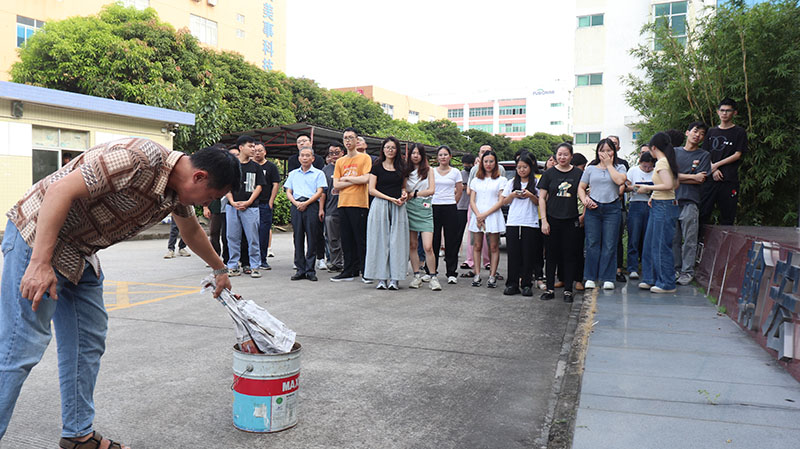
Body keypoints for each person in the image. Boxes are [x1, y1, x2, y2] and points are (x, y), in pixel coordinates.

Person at [0, 139, 238, 448]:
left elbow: (191, 231)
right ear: (200, 177)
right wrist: (39, 262)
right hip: (37, 239)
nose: (209, 204)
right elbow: (60, 190)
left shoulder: (175, 192)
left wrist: (220, 270)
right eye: (212, 196)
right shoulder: (137, 160)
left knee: (87, 343)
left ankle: (78, 435)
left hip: (79, 253)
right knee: (20, 346)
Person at [579, 139, 627, 290]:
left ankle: (608, 277)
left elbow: (620, 181)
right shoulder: (591, 169)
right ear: (597, 152)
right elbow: (581, 187)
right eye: (602, 150)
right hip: (593, 209)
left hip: (612, 208)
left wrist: (609, 165)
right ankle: (590, 277)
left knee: (610, 243)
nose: (605, 153)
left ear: (614, 151)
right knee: (592, 243)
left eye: (609, 150)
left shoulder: (619, 167)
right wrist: (585, 199)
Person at [538, 143, 582, 302]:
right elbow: (542, 198)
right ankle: (549, 288)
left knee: (569, 255)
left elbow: (584, 194)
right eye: (559, 154)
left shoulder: (578, 173)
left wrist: (583, 214)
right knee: (551, 256)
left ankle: (568, 290)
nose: (562, 157)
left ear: (571, 156)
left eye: (565, 154)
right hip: (552, 219)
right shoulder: (549, 174)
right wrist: (544, 221)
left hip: (571, 220)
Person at [636, 132, 680, 293]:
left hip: (664, 205)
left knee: (661, 245)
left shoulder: (662, 163)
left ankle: (666, 283)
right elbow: (675, 185)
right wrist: (653, 196)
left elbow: (669, 185)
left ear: (653, 147)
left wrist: (648, 188)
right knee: (650, 243)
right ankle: (651, 278)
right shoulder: (669, 162)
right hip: (660, 203)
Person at [364, 137, 410, 290]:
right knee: (379, 240)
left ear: (397, 150)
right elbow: (372, 189)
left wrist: (404, 195)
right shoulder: (376, 166)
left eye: (393, 147)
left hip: (398, 206)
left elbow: (404, 187)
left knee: (398, 241)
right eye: (387, 147)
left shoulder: (402, 167)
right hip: (380, 205)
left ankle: (395, 278)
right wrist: (389, 198)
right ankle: (381, 277)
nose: (390, 150)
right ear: (383, 149)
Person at [331, 128, 372, 283]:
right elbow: (335, 183)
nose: (348, 141)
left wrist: (346, 180)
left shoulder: (365, 158)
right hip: (343, 204)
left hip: (360, 203)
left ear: (356, 140)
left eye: (350, 138)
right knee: (346, 239)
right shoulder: (340, 161)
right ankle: (349, 270)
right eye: (345, 138)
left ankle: (365, 271)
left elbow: (366, 179)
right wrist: (354, 179)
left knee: (360, 239)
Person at [700, 98, 747, 226]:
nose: (724, 113)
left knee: (727, 216)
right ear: (717, 112)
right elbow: (704, 153)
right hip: (709, 179)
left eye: (728, 111)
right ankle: (699, 243)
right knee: (703, 212)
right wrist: (713, 169)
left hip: (729, 179)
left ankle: (725, 245)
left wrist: (716, 165)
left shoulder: (739, 132)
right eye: (722, 110)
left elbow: (738, 154)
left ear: (734, 113)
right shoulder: (711, 131)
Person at [674, 122, 710, 285]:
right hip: (672, 200)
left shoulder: (704, 155)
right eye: (696, 131)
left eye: (702, 133)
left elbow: (701, 179)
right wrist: (691, 177)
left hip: (691, 201)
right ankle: (675, 269)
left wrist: (679, 177)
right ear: (687, 132)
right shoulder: (674, 152)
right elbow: (667, 176)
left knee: (689, 239)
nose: (698, 135)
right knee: (673, 239)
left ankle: (687, 272)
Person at [284, 147, 327, 281]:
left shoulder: (318, 173)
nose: (304, 158)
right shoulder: (293, 174)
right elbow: (288, 191)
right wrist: (296, 203)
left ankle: (310, 270)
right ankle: (300, 269)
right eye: (302, 155)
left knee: (312, 237)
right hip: (296, 206)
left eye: (307, 155)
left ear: (312, 158)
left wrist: (307, 203)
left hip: (311, 205)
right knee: (297, 237)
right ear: (299, 158)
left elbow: (320, 191)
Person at [225, 135, 266, 278]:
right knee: (232, 237)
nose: (253, 149)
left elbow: (259, 186)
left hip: (251, 207)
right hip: (232, 207)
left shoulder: (256, 167)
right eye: (250, 146)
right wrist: (231, 201)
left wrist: (248, 202)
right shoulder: (231, 166)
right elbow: (226, 186)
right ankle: (233, 266)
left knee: (253, 238)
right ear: (241, 148)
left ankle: (255, 266)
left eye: (254, 146)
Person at [502, 154, 540, 296]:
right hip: (513, 221)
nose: (522, 170)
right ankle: (512, 283)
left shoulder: (536, 183)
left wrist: (530, 195)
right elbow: (504, 201)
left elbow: (539, 202)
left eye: (525, 167)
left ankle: (526, 284)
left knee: (528, 254)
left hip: (530, 222)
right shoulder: (511, 182)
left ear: (530, 167)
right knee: (513, 254)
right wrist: (512, 195)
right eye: (519, 167)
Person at [464, 145, 505, 274]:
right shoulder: (476, 180)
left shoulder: (501, 180)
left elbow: (501, 200)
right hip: (477, 216)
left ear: (495, 163)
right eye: (486, 161)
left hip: (493, 215)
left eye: (491, 161)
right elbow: (472, 199)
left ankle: (492, 275)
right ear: (481, 162)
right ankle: (477, 274)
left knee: (493, 247)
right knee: (477, 246)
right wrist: (478, 215)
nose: (488, 164)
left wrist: (485, 215)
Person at [406, 144, 438, 290]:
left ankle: (433, 276)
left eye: (418, 153)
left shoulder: (429, 170)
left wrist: (416, 194)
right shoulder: (405, 171)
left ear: (423, 155)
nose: (416, 155)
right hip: (409, 208)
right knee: (412, 245)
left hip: (425, 209)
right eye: (413, 153)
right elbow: (403, 189)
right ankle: (416, 276)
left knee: (427, 246)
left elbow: (431, 190)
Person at [431, 145, 464, 285]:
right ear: (437, 157)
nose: (443, 157)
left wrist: (452, 202)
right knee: (434, 240)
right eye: (440, 155)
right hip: (434, 206)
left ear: (450, 156)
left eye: (445, 154)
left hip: (450, 207)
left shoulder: (456, 172)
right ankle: (431, 271)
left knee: (451, 241)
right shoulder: (431, 171)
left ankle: (451, 272)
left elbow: (459, 190)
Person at [625, 151, 655, 279]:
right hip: (636, 204)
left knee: (648, 238)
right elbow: (625, 187)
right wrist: (636, 188)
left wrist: (650, 189)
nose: (647, 169)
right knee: (634, 237)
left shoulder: (657, 172)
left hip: (652, 205)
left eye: (650, 167)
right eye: (644, 166)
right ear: (640, 163)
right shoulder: (633, 171)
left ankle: (647, 267)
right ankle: (632, 267)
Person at [252, 142, 280, 271]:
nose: (257, 153)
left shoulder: (271, 167)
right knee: (250, 233)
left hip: (264, 204)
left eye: (260, 151)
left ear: (265, 152)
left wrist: (271, 201)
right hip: (250, 204)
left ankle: (262, 260)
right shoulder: (249, 166)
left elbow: (275, 184)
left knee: (263, 232)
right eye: (255, 150)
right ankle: (248, 260)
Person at [322, 142, 344, 271]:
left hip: (347, 207)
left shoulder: (347, 167)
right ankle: (336, 263)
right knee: (332, 238)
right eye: (331, 153)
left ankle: (349, 263)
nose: (334, 155)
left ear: (342, 152)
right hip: (330, 209)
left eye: (337, 152)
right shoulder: (325, 170)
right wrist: (321, 209)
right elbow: (322, 192)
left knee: (347, 238)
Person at [570, 153, 588, 292]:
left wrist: (583, 215)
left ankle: (578, 279)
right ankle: (565, 279)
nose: (583, 169)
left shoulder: (584, 179)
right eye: (582, 167)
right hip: (565, 216)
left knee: (578, 251)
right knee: (564, 250)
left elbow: (588, 198)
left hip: (580, 216)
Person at [456, 153, 475, 270]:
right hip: (460, 206)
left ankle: (472, 258)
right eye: (465, 164)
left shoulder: (475, 174)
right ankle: (455, 251)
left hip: (472, 208)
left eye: (468, 164)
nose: (466, 166)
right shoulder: (460, 174)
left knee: (472, 235)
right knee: (458, 232)